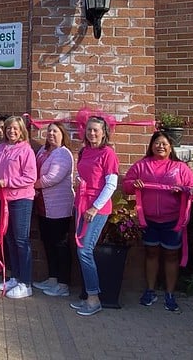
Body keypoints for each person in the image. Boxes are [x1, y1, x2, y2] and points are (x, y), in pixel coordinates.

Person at [122, 131, 193, 312]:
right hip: (148, 220)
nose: (160, 146)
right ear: (151, 146)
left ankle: (170, 294)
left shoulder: (180, 168)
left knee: (172, 256)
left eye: (164, 143)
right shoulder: (142, 165)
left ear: (170, 147)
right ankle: (150, 290)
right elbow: (126, 186)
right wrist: (134, 184)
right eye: (157, 143)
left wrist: (184, 190)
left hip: (173, 221)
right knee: (151, 254)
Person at [69, 116, 119, 316]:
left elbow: (111, 184)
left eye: (96, 130)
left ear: (104, 132)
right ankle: (87, 297)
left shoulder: (108, 154)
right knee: (81, 250)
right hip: (81, 205)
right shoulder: (84, 151)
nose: (92, 133)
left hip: (96, 209)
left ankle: (93, 298)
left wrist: (95, 207)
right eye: (89, 130)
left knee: (85, 251)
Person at [0, 116, 37, 299]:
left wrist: (7, 182)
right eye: (9, 128)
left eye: (15, 128)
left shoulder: (26, 150)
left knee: (21, 241)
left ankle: (26, 283)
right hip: (3, 199)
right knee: (9, 239)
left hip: (21, 200)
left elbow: (30, 177)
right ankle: (16, 277)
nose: (11, 131)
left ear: (21, 131)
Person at [32, 122, 75, 297]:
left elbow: (52, 178)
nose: (51, 134)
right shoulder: (43, 151)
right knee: (48, 243)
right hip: (43, 207)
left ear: (62, 134)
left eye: (55, 131)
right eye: (49, 131)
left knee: (60, 244)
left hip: (59, 207)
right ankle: (52, 279)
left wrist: (30, 185)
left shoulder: (63, 153)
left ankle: (63, 284)